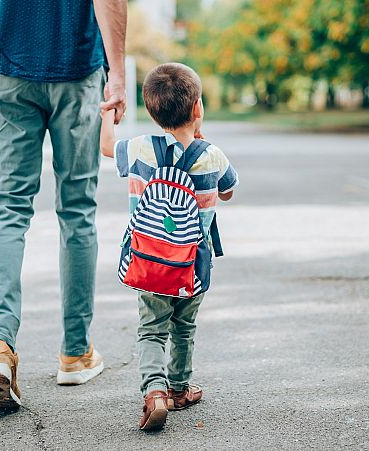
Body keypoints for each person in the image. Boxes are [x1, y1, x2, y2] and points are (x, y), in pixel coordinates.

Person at [0, 0, 127, 408]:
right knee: (77, 209)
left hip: (7, 61)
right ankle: (76, 353)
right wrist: (117, 75)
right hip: (75, 68)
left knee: (8, 206)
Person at [99, 63, 239, 430]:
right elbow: (227, 191)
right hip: (192, 264)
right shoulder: (213, 156)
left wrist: (109, 113)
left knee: (151, 329)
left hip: (148, 263)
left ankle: (154, 392)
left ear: (151, 111)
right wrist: (200, 139)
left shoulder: (140, 149)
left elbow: (106, 147)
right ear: (197, 109)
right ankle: (179, 389)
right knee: (183, 326)